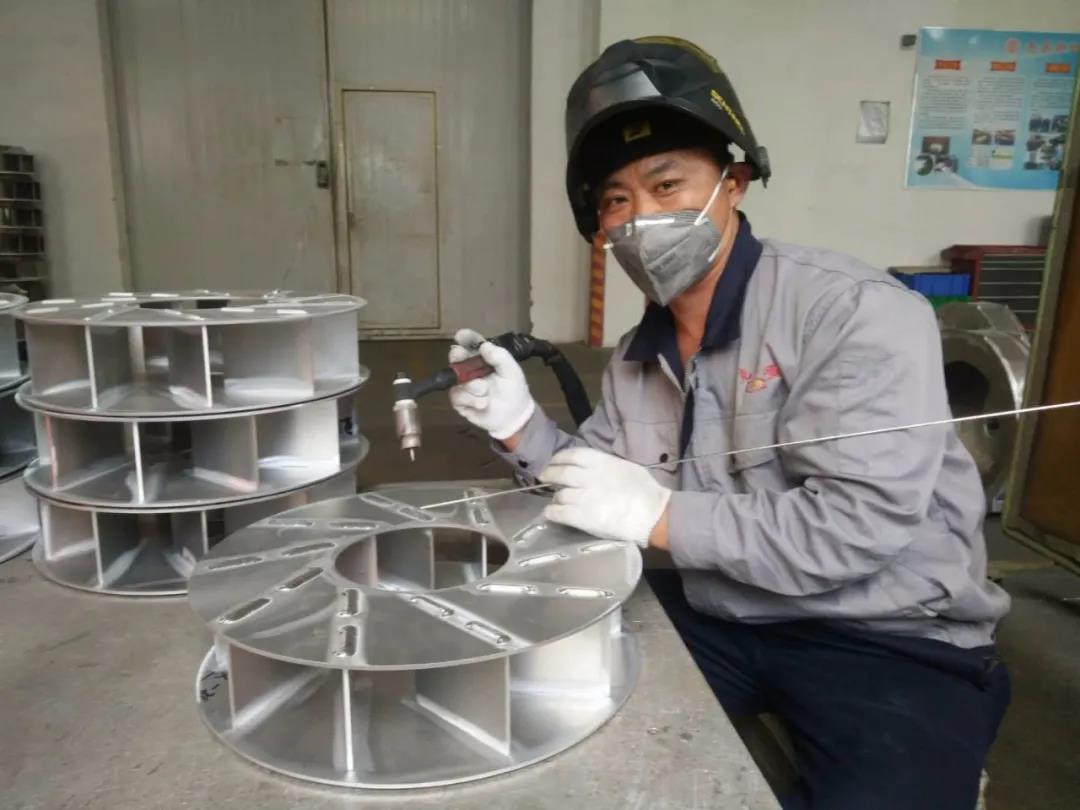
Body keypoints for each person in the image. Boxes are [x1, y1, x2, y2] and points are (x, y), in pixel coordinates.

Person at [448, 37, 1010, 810]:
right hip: (722, 605)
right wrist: (520, 428)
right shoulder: (635, 356)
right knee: (534, 709)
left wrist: (661, 516)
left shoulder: (853, 312)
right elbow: (599, 493)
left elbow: (856, 528)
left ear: (734, 183)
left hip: (887, 634)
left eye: (666, 183)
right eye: (616, 200)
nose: (643, 217)